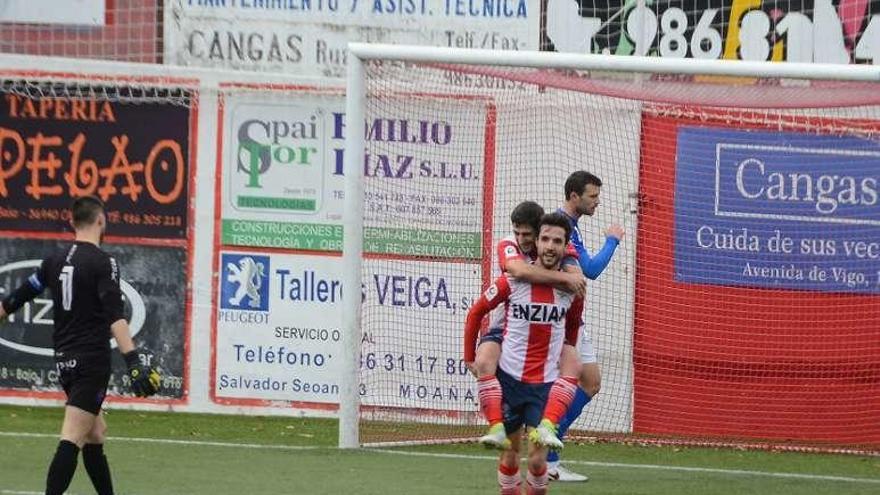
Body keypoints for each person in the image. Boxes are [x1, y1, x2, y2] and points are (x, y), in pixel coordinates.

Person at [0, 195, 160, 495]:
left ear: (72, 222)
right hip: (91, 363)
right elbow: (116, 316)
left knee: (95, 433)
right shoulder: (104, 262)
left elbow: (16, 298)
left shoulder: (53, 262)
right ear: (101, 221)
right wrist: (134, 361)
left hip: (64, 362)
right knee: (72, 437)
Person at [463, 213, 585, 494]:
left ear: (566, 246)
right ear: (537, 243)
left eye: (557, 241)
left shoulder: (572, 289)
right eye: (545, 239)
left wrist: (565, 355)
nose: (550, 246)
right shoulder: (512, 280)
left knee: (539, 462)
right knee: (509, 456)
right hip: (509, 382)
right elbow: (476, 311)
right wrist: (469, 355)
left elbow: (572, 327)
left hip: (544, 386)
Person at [548, 170, 625, 482]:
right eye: (592, 196)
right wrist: (613, 239)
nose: (597, 202)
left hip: (574, 320)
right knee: (570, 385)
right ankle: (549, 457)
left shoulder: (571, 226)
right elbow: (590, 270)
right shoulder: (560, 224)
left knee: (591, 382)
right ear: (574, 196)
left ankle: (549, 441)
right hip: (559, 323)